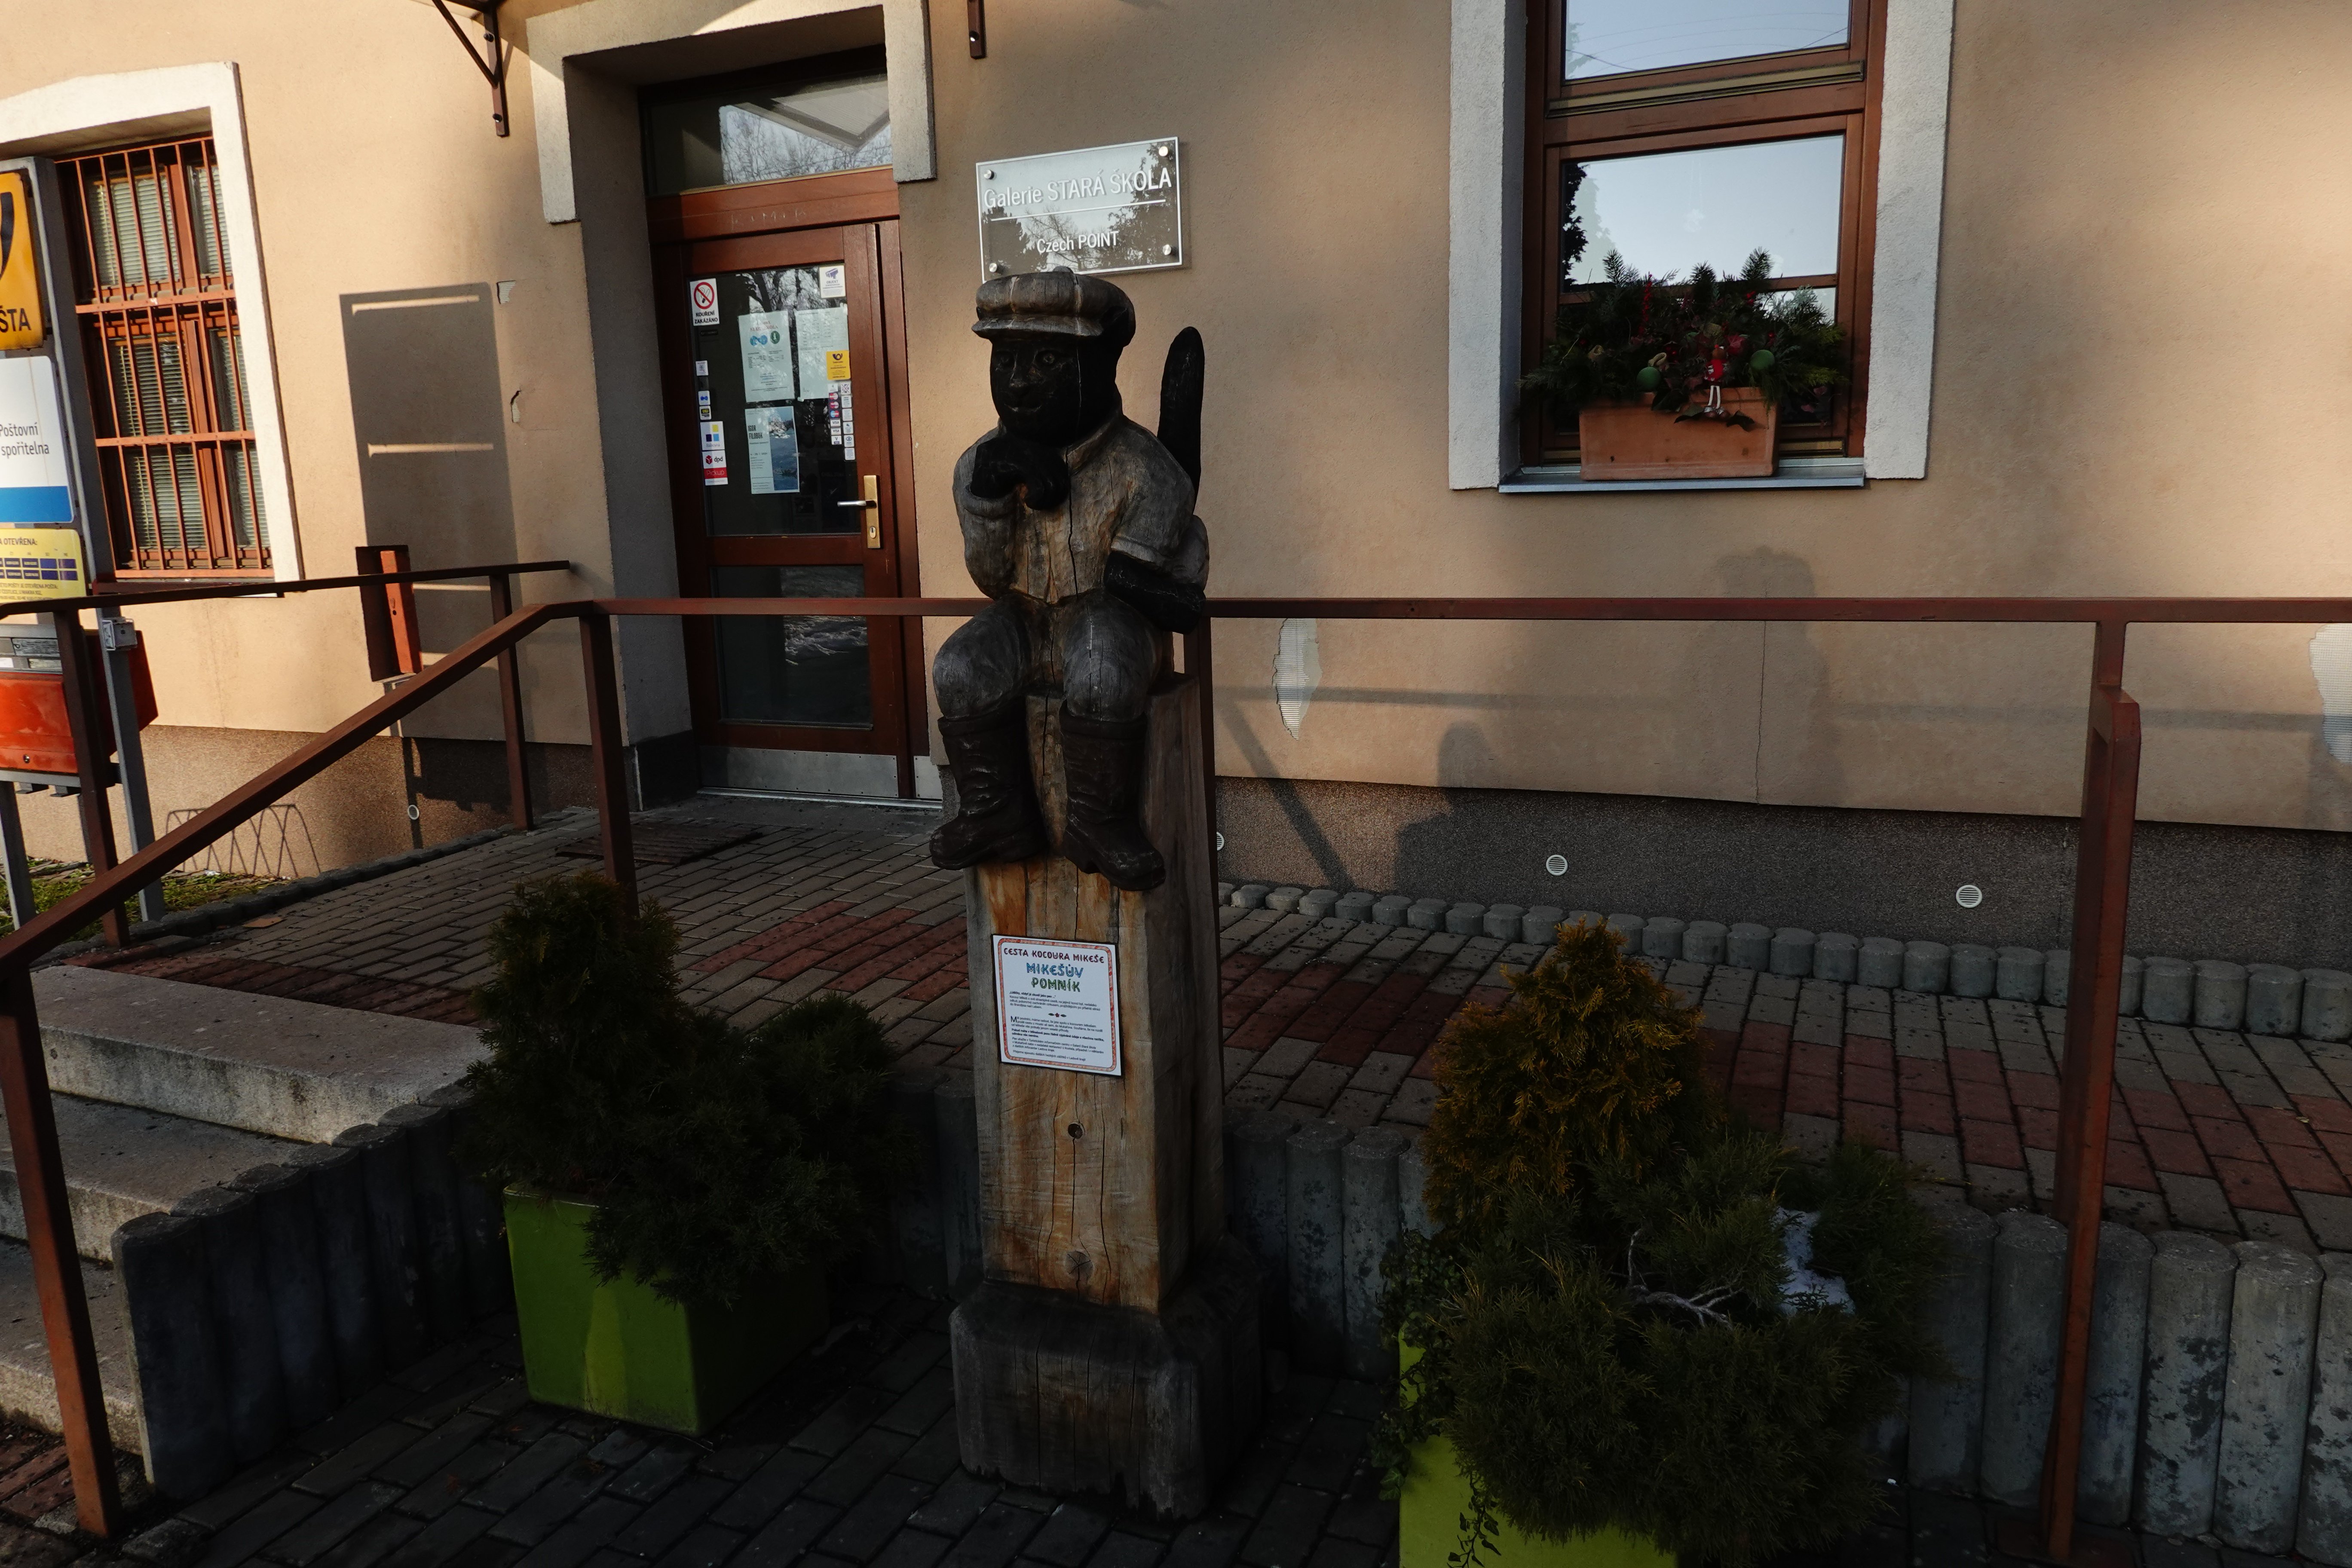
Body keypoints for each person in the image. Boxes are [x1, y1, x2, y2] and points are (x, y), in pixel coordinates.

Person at [928, 270, 1207, 892]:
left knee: (1103, 671)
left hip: (1105, 615)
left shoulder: (1143, 468)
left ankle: (1099, 820)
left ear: (1101, 363)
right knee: (960, 668)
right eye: (1006, 360)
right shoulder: (979, 463)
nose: (1020, 381)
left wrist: (1141, 582)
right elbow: (992, 580)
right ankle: (996, 812)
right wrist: (989, 498)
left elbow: (1135, 581)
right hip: (1024, 614)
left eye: (1049, 360)